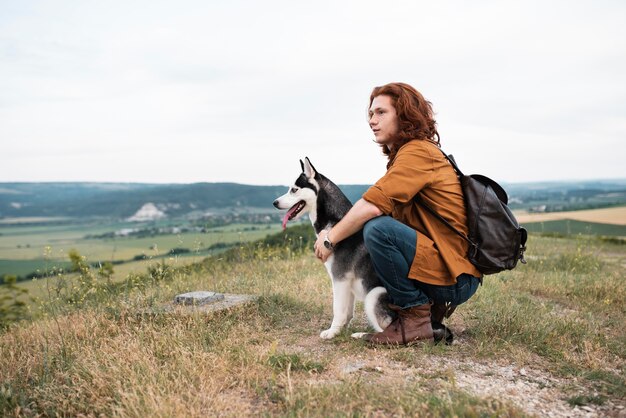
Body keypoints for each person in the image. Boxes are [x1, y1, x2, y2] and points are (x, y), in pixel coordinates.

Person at [313, 82, 482, 346]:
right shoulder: (406, 155)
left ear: (404, 114)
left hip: (455, 278)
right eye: (370, 114)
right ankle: (427, 317)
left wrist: (330, 238)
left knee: (377, 230)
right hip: (448, 272)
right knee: (377, 230)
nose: (372, 120)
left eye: (381, 113)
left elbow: (371, 207)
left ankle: (414, 320)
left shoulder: (418, 153)